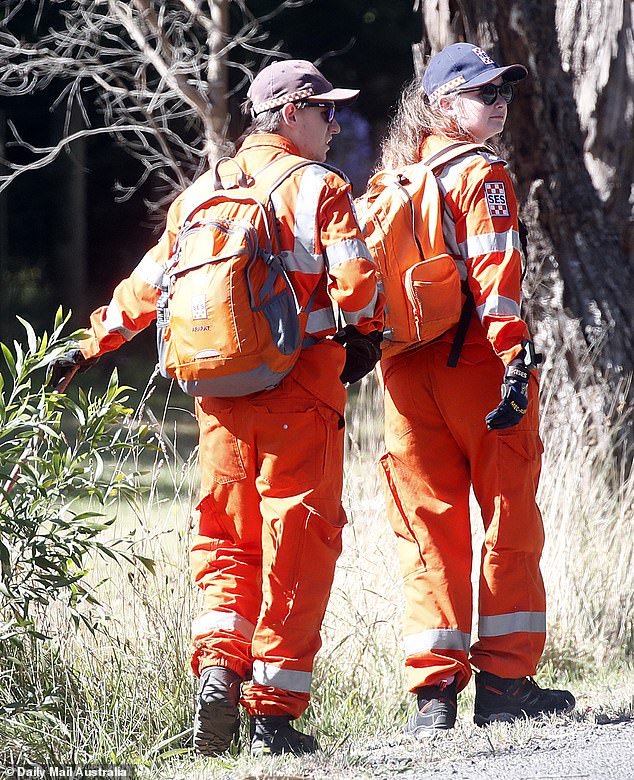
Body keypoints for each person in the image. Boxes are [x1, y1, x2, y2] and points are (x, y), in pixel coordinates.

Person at [50, 59, 383, 756]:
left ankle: (219, 668)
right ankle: (272, 716)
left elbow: (146, 288)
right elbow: (357, 286)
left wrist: (85, 344)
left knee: (228, 543)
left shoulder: (201, 192)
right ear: (291, 114)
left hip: (218, 399)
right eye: (326, 111)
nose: (335, 124)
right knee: (299, 542)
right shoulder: (321, 187)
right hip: (299, 394)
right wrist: (367, 338)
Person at [373, 43, 575, 734]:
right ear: (440, 104)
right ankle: (506, 683)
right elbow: (495, 277)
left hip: (401, 374)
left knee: (426, 527)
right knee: (508, 519)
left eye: (502, 92)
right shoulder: (482, 174)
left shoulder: (393, 178)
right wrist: (517, 361)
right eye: (481, 91)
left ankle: (434, 696)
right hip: (481, 371)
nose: (498, 102)